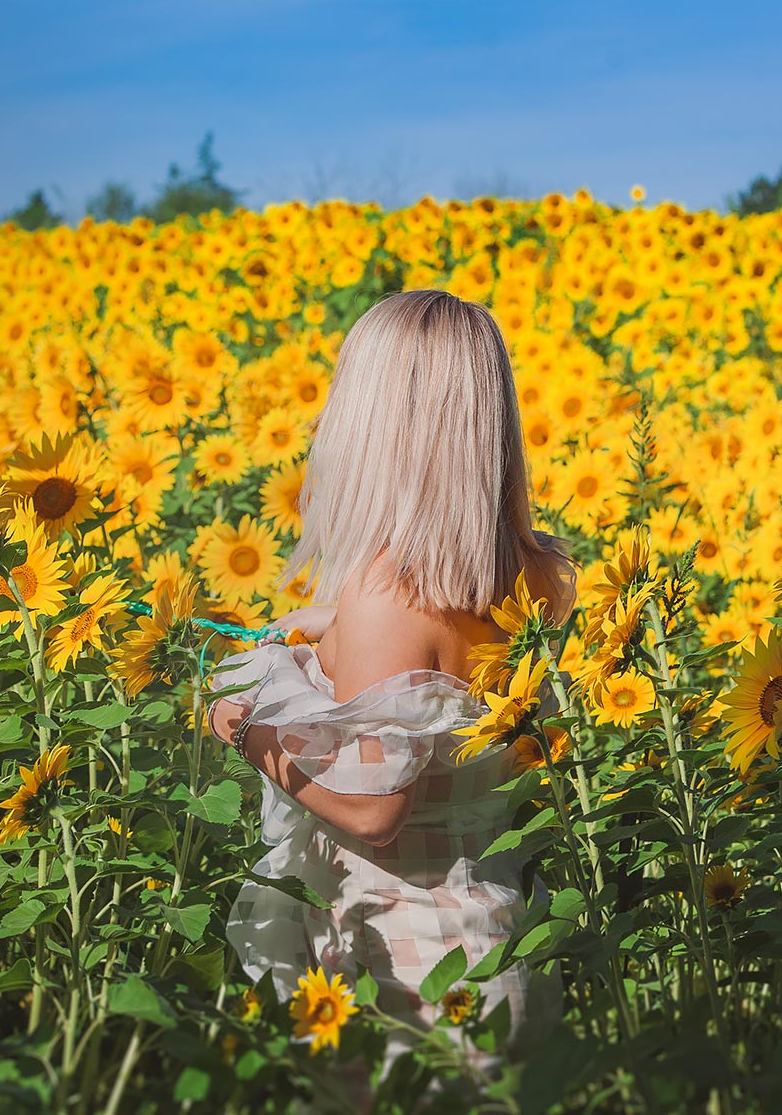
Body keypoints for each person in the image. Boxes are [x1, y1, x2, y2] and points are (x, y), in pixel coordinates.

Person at [204, 289, 576, 1101]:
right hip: (496, 947)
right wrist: (332, 623)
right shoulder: (544, 570)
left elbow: (376, 812)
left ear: (375, 421)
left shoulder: (387, 599)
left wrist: (245, 733)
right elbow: (446, 659)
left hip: (400, 979)